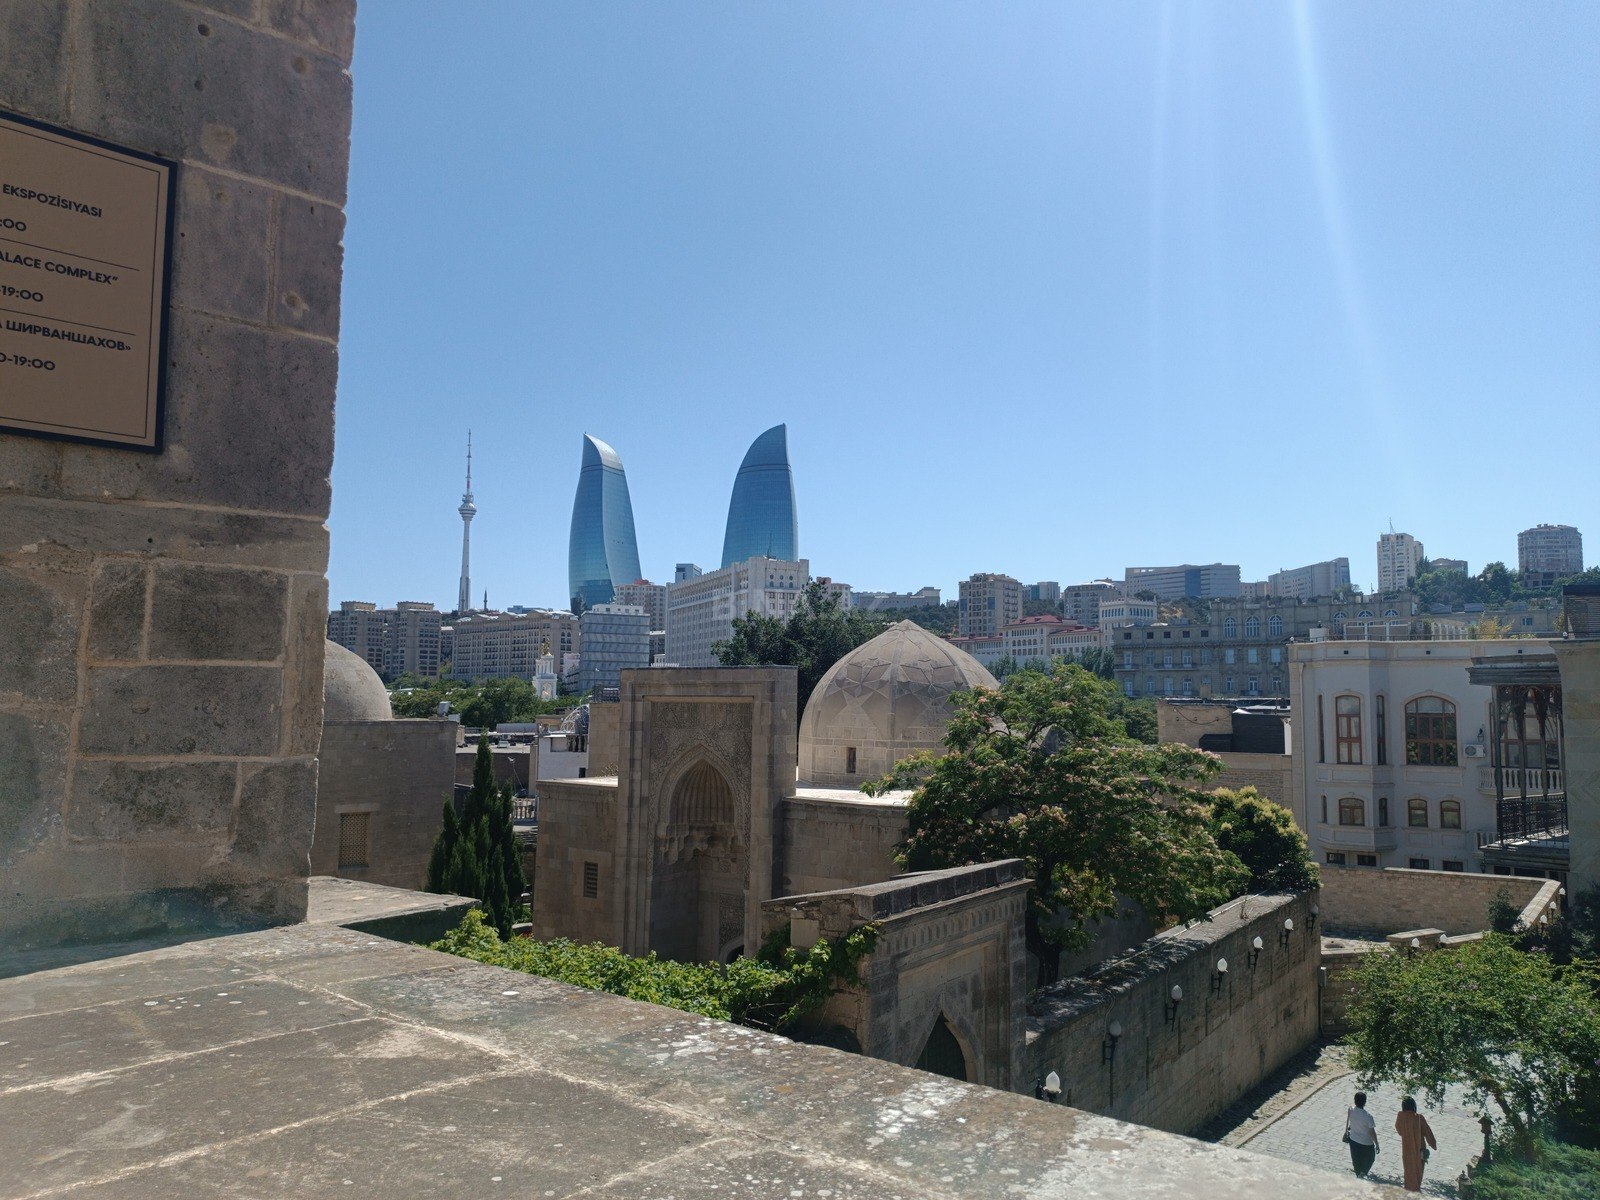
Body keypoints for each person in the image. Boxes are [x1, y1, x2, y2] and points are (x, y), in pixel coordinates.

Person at [1394, 1095, 1437, 1192]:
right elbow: (1428, 1132)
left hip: (1407, 1151)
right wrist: (1433, 1144)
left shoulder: (1400, 1117)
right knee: (1418, 1172)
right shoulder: (1419, 1118)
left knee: (1408, 1173)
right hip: (1419, 1151)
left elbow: (1399, 1130)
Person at [1343, 1091, 1378, 1178]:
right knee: (1370, 1158)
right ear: (1365, 1102)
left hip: (1353, 1139)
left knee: (1356, 1159)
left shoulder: (1350, 1110)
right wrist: (1377, 1144)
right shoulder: (1368, 1117)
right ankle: (1363, 1172)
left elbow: (1350, 1121)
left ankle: (1358, 1173)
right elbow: (1372, 1132)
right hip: (1366, 1143)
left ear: (1355, 1100)